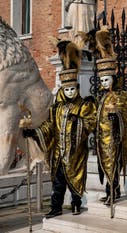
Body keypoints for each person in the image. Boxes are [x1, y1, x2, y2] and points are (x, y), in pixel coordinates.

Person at [22, 42, 96, 218]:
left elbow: (90, 123)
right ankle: (56, 207)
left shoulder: (84, 106)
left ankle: (76, 203)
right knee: (58, 183)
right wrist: (33, 132)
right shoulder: (57, 108)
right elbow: (49, 126)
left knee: (75, 179)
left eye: (72, 89)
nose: (70, 92)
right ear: (63, 89)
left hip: (76, 152)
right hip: (58, 153)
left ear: (76, 89)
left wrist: (77, 121)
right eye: (67, 89)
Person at [95, 58, 127, 205]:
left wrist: (116, 116)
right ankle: (112, 191)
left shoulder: (122, 95)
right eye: (102, 80)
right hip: (102, 139)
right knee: (106, 166)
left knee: (114, 165)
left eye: (107, 80)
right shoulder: (102, 97)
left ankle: (112, 191)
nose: (104, 83)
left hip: (115, 137)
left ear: (113, 79)